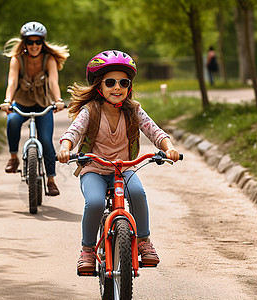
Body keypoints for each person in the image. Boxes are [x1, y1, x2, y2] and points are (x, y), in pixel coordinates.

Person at [56, 50, 180, 273]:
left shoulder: (134, 111)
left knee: (139, 194)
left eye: (123, 83)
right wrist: (65, 149)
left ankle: (144, 241)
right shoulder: (90, 111)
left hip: (123, 170)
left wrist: (169, 148)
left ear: (129, 87)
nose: (117, 88)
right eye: (110, 82)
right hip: (94, 170)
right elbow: (73, 132)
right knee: (94, 202)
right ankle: (87, 250)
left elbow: (155, 131)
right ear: (99, 87)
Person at [0, 21, 69, 196]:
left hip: (43, 104)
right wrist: (8, 101)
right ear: (24, 43)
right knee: (13, 120)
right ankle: (14, 158)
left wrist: (58, 100)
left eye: (38, 42)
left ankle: (51, 180)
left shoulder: (49, 59)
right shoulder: (17, 59)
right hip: (21, 102)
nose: (34, 46)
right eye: (30, 42)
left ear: (43, 42)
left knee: (46, 140)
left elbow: (53, 82)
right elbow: (12, 81)